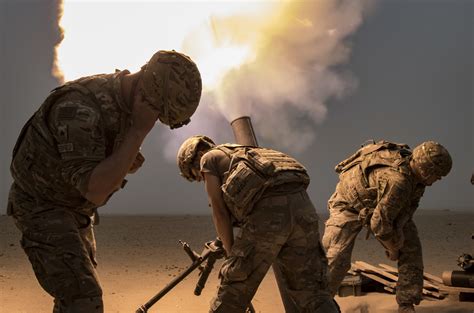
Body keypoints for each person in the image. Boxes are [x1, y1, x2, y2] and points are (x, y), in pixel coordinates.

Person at [7, 50, 202, 313]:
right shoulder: (78, 108)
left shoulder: (125, 101)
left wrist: (122, 158)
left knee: (76, 292)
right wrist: (136, 133)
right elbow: (95, 190)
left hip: (74, 209)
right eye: (156, 113)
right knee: (82, 298)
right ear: (146, 93)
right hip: (41, 205)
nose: (153, 121)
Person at [177, 135, 339, 313]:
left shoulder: (208, 158)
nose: (202, 180)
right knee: (312, 290)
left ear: (198, 154)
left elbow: (220, 212)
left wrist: (232, 255)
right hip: (304, 212)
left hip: (269, 217)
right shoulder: (252, 153)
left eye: (198, 176)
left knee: (233, 289)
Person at [321, 140, 452, 313]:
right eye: (438, 175)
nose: (438, 179)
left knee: (411, 247)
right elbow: (379, 225)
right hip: (348, 205)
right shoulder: (399, 181)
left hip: (380, 206)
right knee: (336, 258)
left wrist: (399, 236)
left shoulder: (417, 180)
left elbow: (405, 211)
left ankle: (406, 303)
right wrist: (392, 249)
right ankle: (319, 304)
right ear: (426, 169)